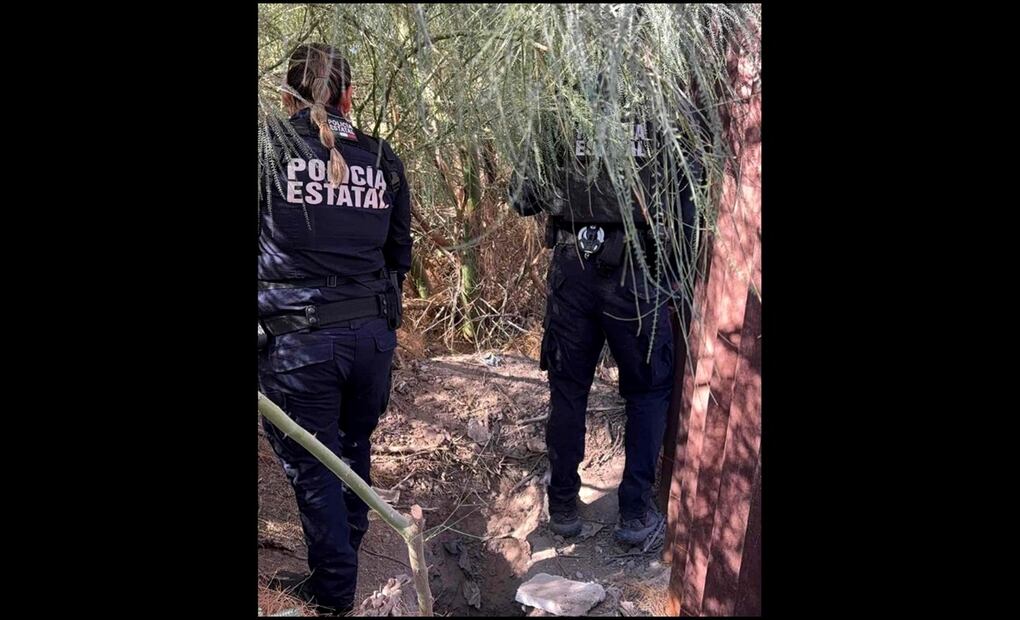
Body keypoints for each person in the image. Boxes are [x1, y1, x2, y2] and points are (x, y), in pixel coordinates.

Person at [258, 42, 411, 614]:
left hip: (299, 346)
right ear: (349, 96)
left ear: (285, 96)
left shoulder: (269, 151)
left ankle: (334, 594)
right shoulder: (382, 158)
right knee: (350, 449)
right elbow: (399, 256)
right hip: (370, 340)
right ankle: (344, 554)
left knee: (316, 469)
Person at [511, 93, 699, 546]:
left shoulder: (557, 108)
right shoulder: (664, 102)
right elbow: (688, 201)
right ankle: (634, 514)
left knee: (569, 388)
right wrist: (677, 275)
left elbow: (523, 197)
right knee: (648, 390)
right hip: (636, 270)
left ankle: (563, 507)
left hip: (573, 265)